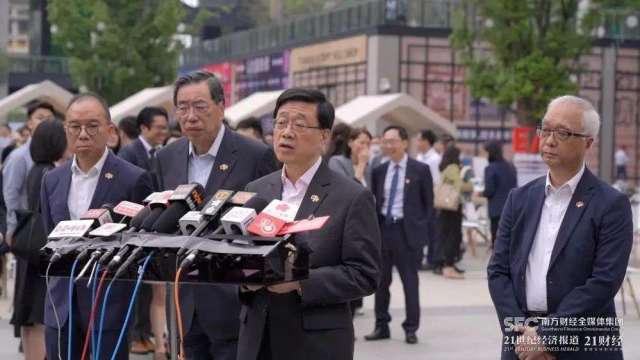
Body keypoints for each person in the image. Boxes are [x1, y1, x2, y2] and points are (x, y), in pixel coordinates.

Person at [238, 88, 381, 360]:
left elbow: (365, 274)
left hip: (315, 342)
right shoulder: (256, 189)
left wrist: (298, 282)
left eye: (299, 124)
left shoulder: (351, 197)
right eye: (280, 122)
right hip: (258, 337)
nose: (287, 132)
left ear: (324, 136)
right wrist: (244, 280)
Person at [488, 95, 633, 360]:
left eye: (563, 132)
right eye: (545, 129)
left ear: (588, 142)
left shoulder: (611, 204)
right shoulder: (518, 199)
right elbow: (498, 272)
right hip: (522, 344)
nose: (549, 140)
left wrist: (546, 337)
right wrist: (524, 337)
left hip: (583, 344)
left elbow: (603, 282)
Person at [154, 71, 278, 360]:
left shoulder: (255, 155)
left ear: (221, 106)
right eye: (182, 108)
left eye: (200, 106)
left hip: (234, 300)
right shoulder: (166, 157)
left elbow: (268, 225)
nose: (190, 115)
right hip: (184, 298)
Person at [40, 93, 154, 360]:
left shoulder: (133, 178)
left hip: (109, 303)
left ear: (110, 130)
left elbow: (140, 245)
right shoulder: (51, 180)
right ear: (65, 130)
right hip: (61, 304)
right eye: (74, 126)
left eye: (92, 126)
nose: (83, 134)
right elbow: (50, 235)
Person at [365, 125, 433, 345]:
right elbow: (375, 202)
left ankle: (411, 328)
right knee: (381, 282)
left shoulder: (420, 170)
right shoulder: (378, 170)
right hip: (384, 230)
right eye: (385, 141)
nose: (388, 146)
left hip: (407, 233)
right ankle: (381, 325)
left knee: (410, 283)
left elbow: (428, 205)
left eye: (393, 141)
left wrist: (424, 236)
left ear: (404, 143)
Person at [10, 120, 66, 360]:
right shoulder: (49, 173)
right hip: (40, 252)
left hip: (30, 251)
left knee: (31, 319)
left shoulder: (37, 169)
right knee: (38, 319)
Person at [118, 106, 169, 357]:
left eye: (165, 127)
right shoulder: (129, 153)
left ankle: (147, 334)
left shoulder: (161, 153)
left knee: (152, 288)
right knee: (139, 288)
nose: (163, 132)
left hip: (155, 229)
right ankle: (137, 335)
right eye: (158, 127)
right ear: (144, 128)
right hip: (135, 229)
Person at [3, 101, 55, 245]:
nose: (45, 122)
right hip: (26, 229)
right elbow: (10, 195)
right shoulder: (19, 157)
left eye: (50, 118)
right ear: (29, 123)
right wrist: (13, 228)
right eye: (40, 117)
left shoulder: (57, 153)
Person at [438, 146, 473, 280]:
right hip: (452, 207)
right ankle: (449, 267)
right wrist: (470, 185)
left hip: (447, 207)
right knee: (453, 237)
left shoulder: (445, 167)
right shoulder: (452, 167)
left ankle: (449, 265)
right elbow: (459, 185)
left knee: (449, 236)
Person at [481, 141, 517, 248]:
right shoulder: (511, 166)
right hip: (511, 208)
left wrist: (480, 193)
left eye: (486, 152)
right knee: (509, 242)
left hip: (496, 211)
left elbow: (489, 191)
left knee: (497, 244)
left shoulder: (490, 168)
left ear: (490, 153)